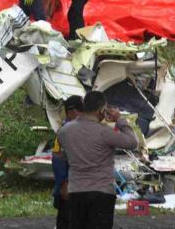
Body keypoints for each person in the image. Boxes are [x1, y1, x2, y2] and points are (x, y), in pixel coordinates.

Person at [58, 91, 138, 229]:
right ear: (101, 110)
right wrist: (120, 120)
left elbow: (62, 156)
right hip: (101, 192)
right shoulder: (104, 132)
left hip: (76, 191)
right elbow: (132, 142)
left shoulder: (64, 131)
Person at [52, 95, 84, 229]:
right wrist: (64, 184)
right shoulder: (63, 133)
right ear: (71, 113)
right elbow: (57, 160)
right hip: (69, 187)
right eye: (80, 112)